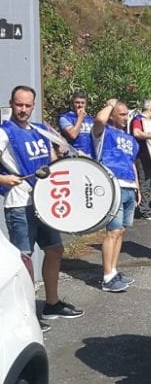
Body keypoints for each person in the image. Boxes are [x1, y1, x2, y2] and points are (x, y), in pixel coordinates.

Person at [0, 86, 84, 325]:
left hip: (44, 202)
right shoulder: (4, 132)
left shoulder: (39, 131)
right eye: (19, 104)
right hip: (19, 204)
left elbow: (52, 160)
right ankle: (24, 315)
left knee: (55, 250)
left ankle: (51, 304)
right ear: (12, 103)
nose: (23, 109)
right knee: (24, 260)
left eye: (27, 105)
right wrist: (4, 179)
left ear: (33, 106)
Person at [91, 99, 139, 292]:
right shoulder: (103, 133)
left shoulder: (129, 138)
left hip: (129, 187)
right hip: (114, 186)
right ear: (112, 115)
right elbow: (99, 120)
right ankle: (107, 276)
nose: (125, 117)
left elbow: (131, 162)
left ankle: (114, 270)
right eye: (122, 114)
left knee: (121, 232)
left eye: (127, 114)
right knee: (112, 231)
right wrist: (111, 105)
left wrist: (137, 187)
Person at [129, 99, 151, 220]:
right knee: (144, 181)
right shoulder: (138, 120)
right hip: (141, 155)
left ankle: (145, 207)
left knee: (150, 182)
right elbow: (136, 133)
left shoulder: (150, 122)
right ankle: (142, 210)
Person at [57, 91, 95, 157]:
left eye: (82, 103)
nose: (80, 105)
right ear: (72, 104)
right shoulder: (65, 118)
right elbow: (73, 135)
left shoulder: (91, 120)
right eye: (77, 102)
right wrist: (80, 117)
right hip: (74, 156)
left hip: (90, 158)